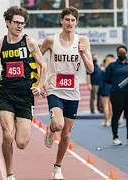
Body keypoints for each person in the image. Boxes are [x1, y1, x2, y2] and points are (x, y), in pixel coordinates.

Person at [0, 5, 47, 180]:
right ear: (7, 23)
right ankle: (10, 174)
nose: (20, 26)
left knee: (21, 143)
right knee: (7, 135)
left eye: (22, 23)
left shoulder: (29, 42)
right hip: (6, 93)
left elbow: (43, 65)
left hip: (25, 96)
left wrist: (40, 84)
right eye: (16, 22)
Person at [39, 6, 94, 179]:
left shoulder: (82, 40)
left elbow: (91, 69)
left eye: (73, 20)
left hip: (73, 92)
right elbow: (38, 59)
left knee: (67, 134)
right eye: (67, 19)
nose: (70, 23)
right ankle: (51, 129)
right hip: (54, 89)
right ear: (61, 21)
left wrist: (83, 54)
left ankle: (57, 167)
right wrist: (40, 82)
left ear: (76, 22)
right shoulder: (50, 40)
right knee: (58, 125)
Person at [103, 45, 128, 145]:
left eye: (123, 52)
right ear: (117, 54)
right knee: (116, 115)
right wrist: (116, 83)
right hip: (117, 94)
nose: (121, 54)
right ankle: (115, 137)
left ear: (126, 53)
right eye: (120, 53)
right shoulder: (112, 66)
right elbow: (106, 79)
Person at [99, 55, 114, 126]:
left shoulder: (104, 71)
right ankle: (111, 120)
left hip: (105, 88)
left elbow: (101, 82)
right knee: (111, 106)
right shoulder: (112, 70)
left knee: (105, 106)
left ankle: (106, 121)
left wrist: (100, 91)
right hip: (111, 88)